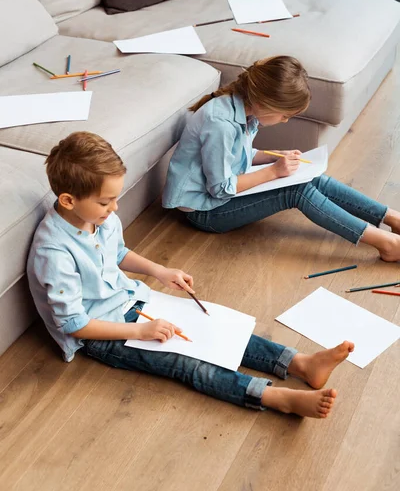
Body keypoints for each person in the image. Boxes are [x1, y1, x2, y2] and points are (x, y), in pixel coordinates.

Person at [27, 131, 353, 418]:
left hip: (134, 300)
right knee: (184, 361)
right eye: (105, 201)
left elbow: (117, 254)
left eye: (115, 198)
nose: (114, 208)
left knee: (214, 325)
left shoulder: (100, 217)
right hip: (100, 335)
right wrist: (141, 333)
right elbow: (73, 324)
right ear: (68, 200)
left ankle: (299, 363)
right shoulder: (52, 252)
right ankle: (274, 397)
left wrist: (160, 271)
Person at [163, 56, 400, 261]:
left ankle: (391, 217)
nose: (286, 121)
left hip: (220, 196)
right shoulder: (220, 125)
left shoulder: (242, 110)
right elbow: (221, 188)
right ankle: (387, 244)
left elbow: (237, 159)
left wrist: (275, 157)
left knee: (311, 176)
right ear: (264, 103)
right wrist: (273, 171)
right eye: (285, 115)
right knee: (294, 191)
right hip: (205, 212)